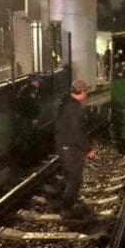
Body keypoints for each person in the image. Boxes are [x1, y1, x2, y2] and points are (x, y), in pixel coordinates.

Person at [54, 79, 95, 218]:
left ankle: (69, 204)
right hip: (70, 147)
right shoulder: (74, 109)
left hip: (65, 145)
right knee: (74, 178)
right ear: (81, 92)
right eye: (86, 91)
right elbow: (77, 132)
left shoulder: (66, 104)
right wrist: (88, 149)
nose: (87, 93)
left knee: (69, 176)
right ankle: (67, 209)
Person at [16, 74, 43, 167]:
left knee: (33, 139)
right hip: (27, 119)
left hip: (29, 119)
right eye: (37, 81)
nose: (38, 83)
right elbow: (27, 106)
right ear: (33, 81)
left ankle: (33, 162)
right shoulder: (27, 91)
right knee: (28, 140)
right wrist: (33, 118)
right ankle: (27, 163)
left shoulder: (31, 90)